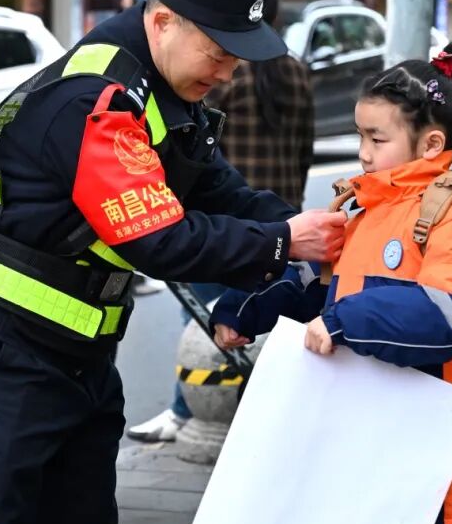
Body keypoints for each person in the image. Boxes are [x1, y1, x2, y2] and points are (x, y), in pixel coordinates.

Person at [0, 0, 346, 524]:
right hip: (4, 348)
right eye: (220, 52)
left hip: (79, 353)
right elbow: (156, 238)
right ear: (163, 20)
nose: (229, 72)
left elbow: (218, 190)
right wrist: (284, 242)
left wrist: (316, 232)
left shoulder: (167, 86)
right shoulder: (98, 100)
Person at [211, 57, 452, 524]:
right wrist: (241, 309)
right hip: (356, 424)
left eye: (378, 139)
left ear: (431, 144)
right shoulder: (364, 207)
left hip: (417, 439)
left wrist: (346, 321)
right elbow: (313, 279)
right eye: (360, 137)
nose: (365, 154)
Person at [126, 36, 315, 443]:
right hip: (280, 211)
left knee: (204, 321)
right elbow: (305, 148)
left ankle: (184, 412)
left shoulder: (222, 73)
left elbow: (199, 152)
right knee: (277, 325)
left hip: (222, 220)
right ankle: (262, 423)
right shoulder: (298, 71)